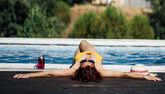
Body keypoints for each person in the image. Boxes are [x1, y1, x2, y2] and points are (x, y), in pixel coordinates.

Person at [13, 40, 162, 82]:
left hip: (75, 61)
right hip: (85, 59)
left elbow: (50, 74)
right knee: (84, 42)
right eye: (90, 61)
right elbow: (124, 75)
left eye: (87, 61)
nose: (89, 59)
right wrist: (144, 76)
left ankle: (73, 61)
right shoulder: (100, 69)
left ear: (81, 67)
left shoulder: (74, 68)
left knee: (82, 43)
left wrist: (29, 75)